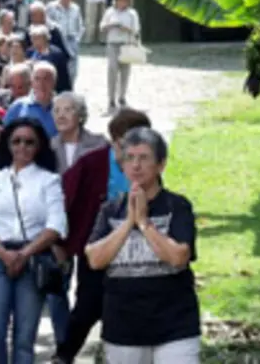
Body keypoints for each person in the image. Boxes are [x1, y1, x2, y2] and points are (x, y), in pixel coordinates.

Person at [86, 127, 200, 364]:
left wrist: (144, 223)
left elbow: (178, 256)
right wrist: (128, 223)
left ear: (161, 164)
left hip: (175, 327)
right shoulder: (110, 210)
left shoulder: (177, 206)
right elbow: (95, 259)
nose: (136, 165)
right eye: (130, 158)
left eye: (144, 158)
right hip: (123, 329)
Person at [52, 108, 152, 364]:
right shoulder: (92, 163)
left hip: (133, 250)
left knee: (128, 309)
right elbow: (65, 199)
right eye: (124, 144)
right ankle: (64, 356)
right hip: (96, 245)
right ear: (113, 140)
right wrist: (61, 243)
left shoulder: (146, 167)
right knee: (87, 306)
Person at [0, 117, 67, 364]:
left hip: (33, 259)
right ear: (7, 144)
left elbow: (56, 226)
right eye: (16, 141)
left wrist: (24, 254)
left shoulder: (49, 181)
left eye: (29, 142)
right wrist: (4, 254)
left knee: (24, 339)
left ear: (38, 146)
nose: (22, 147)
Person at [45, 92, 107, 348]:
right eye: (57, 110)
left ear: (80, 115)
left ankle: (78, 339)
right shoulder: (48, 147)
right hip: (58, 223)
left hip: (89, 223)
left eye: (68, 109)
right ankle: (63, 342)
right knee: (57, 285)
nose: (61, 115)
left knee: (87, 287)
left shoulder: (98, 144)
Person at [100, 0, 141, 112]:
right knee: (112, 70)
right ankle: (111, 98)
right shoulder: (110, 12)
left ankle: (122, 96)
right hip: (113, 43)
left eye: (125, 0)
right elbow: (102, 27)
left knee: (125, 72)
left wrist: (126, 29)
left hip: (126, 43)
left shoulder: (132, 13)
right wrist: (111, 25)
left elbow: (136, 30)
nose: (123, 2)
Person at [3, 61, 58, 138]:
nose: (41, 83)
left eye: (46, 79)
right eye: (37, 79)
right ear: (32, 82)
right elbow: (5, 136)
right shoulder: (18, 106)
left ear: (54, 82)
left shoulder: (62, 107)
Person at [47, 0, 85, 85]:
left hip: (72, 40)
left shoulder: (76, 8)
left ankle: (70, 87)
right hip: (58, 41)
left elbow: (80, 25)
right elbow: (47, 22)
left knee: (73, 69)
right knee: (58, 65)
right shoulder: (52, 7)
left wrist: (78, 39)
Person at [26, 24, 71, 93]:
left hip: (53, 89)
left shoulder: (55, 53)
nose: (33, 41)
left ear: (45, 38)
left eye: (36, 38)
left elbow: (54, 71)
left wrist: (36, 64)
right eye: (32, 38)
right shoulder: (30, 51)